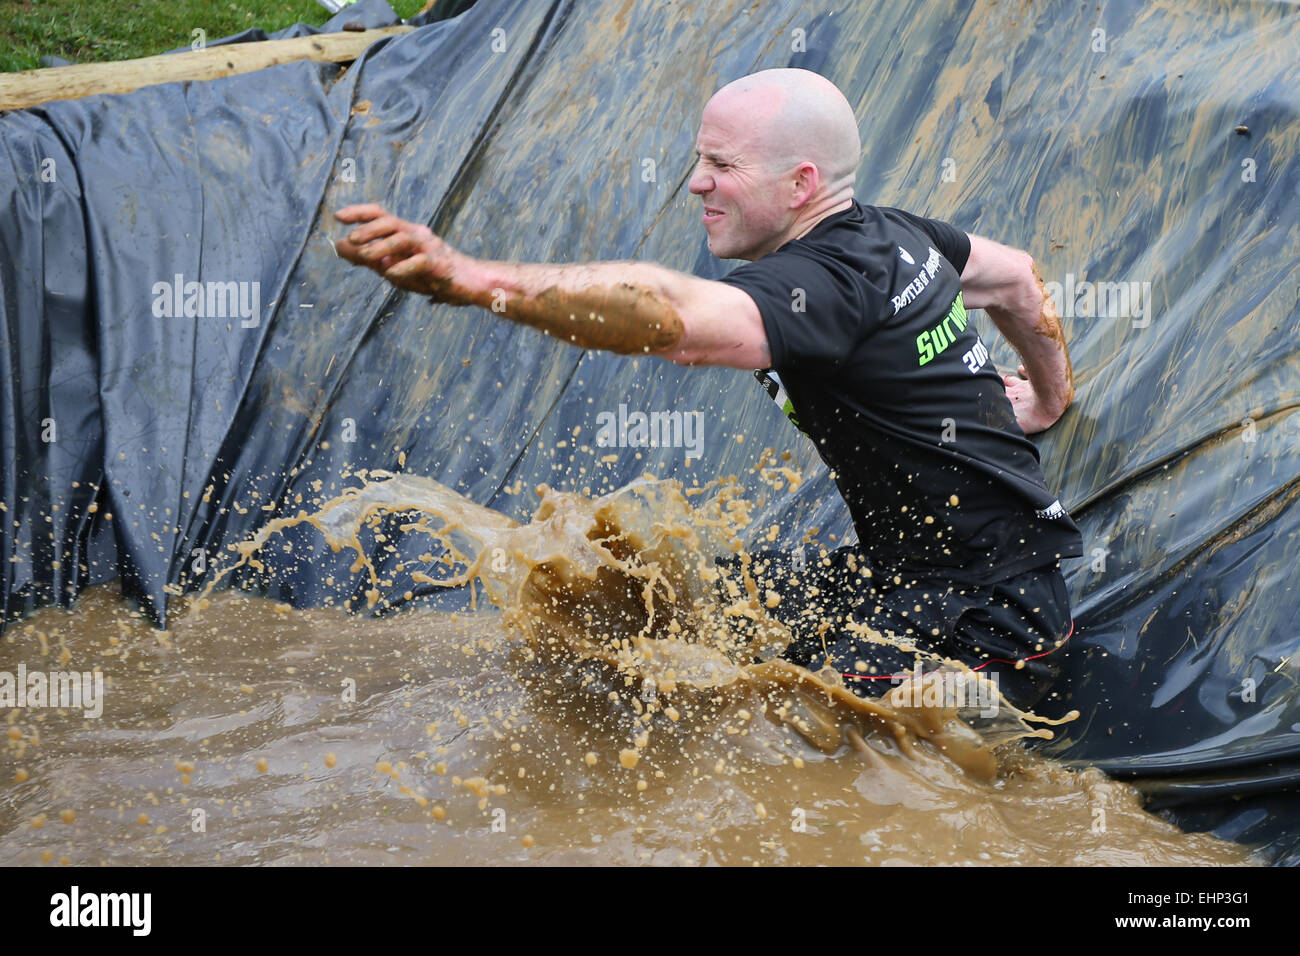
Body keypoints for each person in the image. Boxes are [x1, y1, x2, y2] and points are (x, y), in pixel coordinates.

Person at [333, 68, 1083, 709]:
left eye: (722, 165)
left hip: (985, 629)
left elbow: (676, 320)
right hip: (927, 577)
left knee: (757, 730)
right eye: (699, 159)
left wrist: (474, 280)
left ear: (801, 184)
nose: (696, 183)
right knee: (657, 606)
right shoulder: (895, 234)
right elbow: (1016, 275)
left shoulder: (820, 286)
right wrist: (1050, 399)